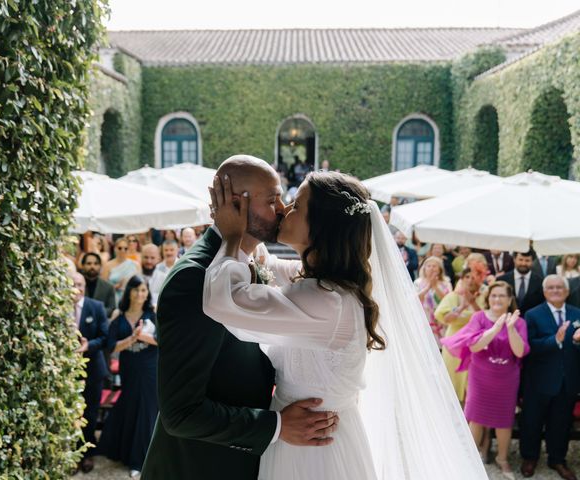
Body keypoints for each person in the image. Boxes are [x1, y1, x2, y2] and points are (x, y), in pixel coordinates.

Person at [200, 167, 487, 479]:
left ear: (321, 228)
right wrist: (249, 220)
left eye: (296, 205)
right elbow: (266, 265)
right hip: (302, 437)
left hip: (318, 453)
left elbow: (222, 299)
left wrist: (231, 236)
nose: (283, 209)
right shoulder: (321, 282)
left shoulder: (328, 302)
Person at [140, 156, 341, 480]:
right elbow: (180, 413)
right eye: (272, 199)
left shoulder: (246, 262)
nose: (282, 208)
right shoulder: (195, 278)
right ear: (235, 204)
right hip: (196, 467)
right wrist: (276, 426)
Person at [442, 282, 529, 479]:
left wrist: (511, 328)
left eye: (501, 296)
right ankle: (470, 459)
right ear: (488, 298)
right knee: (476, 418)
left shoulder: (519, 322)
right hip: (481, 374)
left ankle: (502, 458)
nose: (497, 299)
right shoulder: (479, 317)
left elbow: (519, 351)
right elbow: (474, 346)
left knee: (504, 420)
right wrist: (496, 328)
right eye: (493, 296)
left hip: (507, 377)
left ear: (509, 300)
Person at [97, 275, 159, 478]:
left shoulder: (153, 313)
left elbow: (163, 340)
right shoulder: (119, 315)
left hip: (150, 367)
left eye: (143, 290)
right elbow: (112, 346)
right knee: (130, 402)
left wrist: (142, 337)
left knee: (147, 408)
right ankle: (121, 448)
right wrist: (132, 338)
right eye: (136, 290)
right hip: (129, 366)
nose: (140, 294)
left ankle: (139, 460)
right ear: (129, 292)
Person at [519, 275, 580, 480]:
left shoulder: (577, 313)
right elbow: (530, 347)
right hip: (538, 379)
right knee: (532, 422)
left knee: (561, 423)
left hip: (567, 380)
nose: (555, 290)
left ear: (567, 291)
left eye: (559, 287)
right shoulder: (532, 315)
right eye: (551, 287)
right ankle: (530, 457)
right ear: (545, 292)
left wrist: (577, 342)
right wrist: (555, 340)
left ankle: (557, 460)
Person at [69, 272, 109, 474]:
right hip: (68, 371)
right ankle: (71, 454)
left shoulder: (96, 306)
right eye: (74, 283)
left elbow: (104, 337)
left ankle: (87, 453)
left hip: (93, 369)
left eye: (81, 284)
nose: (78, 287)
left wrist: (88, 346)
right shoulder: (60, 307)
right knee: (70, 412)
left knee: (90, 412)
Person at [434, 267, 485, 403]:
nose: (470, 280)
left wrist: (472, 303)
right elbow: (446, 318)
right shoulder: (452, 296)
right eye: (467, 277)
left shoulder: (485, 296)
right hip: (454, 343)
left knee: (472, 382)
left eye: (474, 277)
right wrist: (462, 307)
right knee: (452, 377)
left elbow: (485, 319)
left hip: (476, 343)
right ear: (461, 279)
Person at [414, 256, 452, 345]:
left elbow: (449, 300)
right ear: (424, 268)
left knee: (441, 346)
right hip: (425, 317)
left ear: (439, 269)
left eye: (434, 266)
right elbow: (415, 300)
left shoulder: (446, 282)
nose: (431, 268)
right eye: (429, 266)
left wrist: (435, 287)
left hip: (441, 318)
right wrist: (428, 287)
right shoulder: (418, 282)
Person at [101, 237, 141, 304]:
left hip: (132, 299)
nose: (123, 250)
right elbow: (103, 286)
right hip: (113, 298)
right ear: (115, 249)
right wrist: (115, 286)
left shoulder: (135, 265)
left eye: (125, 248)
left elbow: (140, 284)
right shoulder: (107, 266)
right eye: (120, 248)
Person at [81, 252, 116, 319]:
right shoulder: (77, 286)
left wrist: (96, 314)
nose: (92, 266)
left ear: (100, 266)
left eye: (96, 264)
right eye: (89, 263)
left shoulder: (108, 287)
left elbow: (111, 308)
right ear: (83, 266)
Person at [148, 240, 179, 308]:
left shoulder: (182, 266)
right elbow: (153, 290)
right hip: (161, 306)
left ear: (177, 250)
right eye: (166, 250)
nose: (169, 252)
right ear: (162, 251)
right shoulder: (158, 268)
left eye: (171, 250)